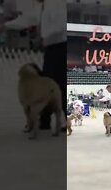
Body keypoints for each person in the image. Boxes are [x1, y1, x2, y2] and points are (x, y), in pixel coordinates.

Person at [4, 0, 66, 131]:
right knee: (46, 83)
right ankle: (44, 121)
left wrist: (43, 35)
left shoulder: (59, 4)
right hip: (50, 48)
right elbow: (28, 19)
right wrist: (6, 25)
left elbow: (62, 25)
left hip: (62, 46)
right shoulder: (40, 6)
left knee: (60, 84)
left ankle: (67, 121)